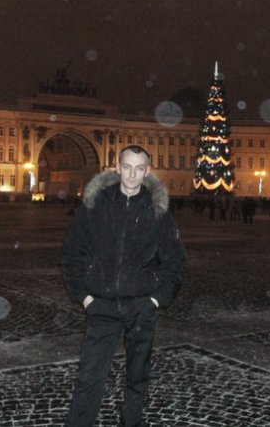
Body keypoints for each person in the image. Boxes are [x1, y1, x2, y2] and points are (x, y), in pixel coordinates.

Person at [62, 145, 186, 427]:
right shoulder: (95, 206)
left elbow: (174, 260)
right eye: (127, 167)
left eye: (139, 168)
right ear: (117, 168)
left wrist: (156, 300)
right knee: (89, 375)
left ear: (147, 171)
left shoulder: (158, 211)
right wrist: (84, 296)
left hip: (141, 306)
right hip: (101, 304)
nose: (132, 174)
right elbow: (72, 252)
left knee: (137, 376)